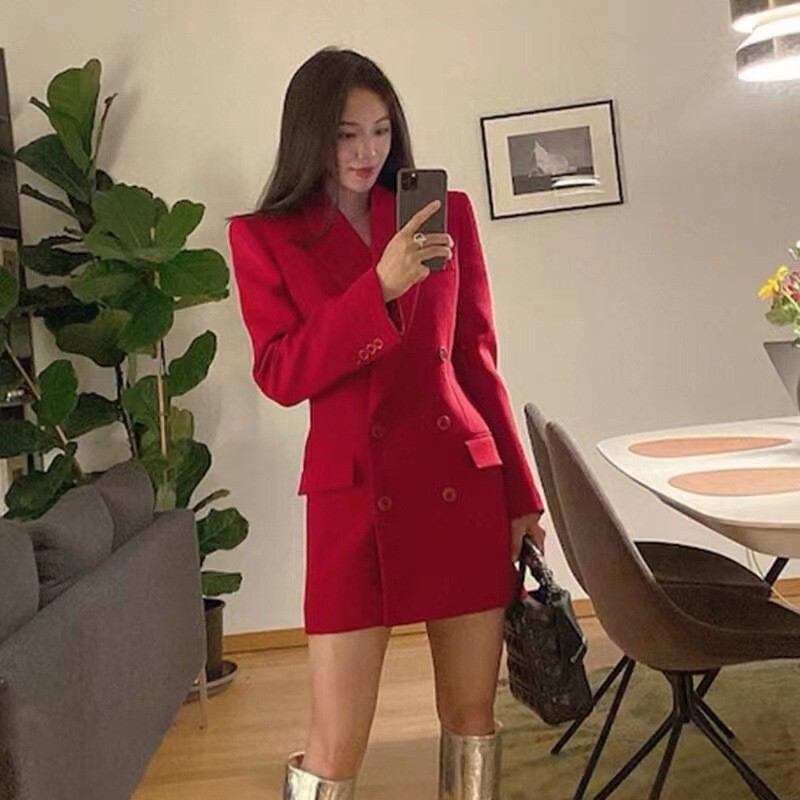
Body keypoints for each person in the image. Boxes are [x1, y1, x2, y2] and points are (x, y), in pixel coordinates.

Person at [227, 46, 546, 800]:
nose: (366, 152)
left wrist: (521, 495)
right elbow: (280, 373)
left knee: (471, 716)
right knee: (334, 743)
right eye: (345, 134)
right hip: (352, 500)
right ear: (310, 136)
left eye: (380, 131)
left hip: (458, 483)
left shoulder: (444, 214)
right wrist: (378, 288)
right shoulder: (264, 236)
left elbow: (475, 360)